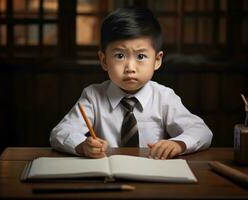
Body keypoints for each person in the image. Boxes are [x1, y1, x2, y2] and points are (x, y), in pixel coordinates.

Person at [50, 7, 213, 159]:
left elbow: (202, 131)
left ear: (157, 61)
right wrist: (82, 146)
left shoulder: (164, 97)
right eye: (119, 56)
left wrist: (178, 144)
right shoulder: (93, 96)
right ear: (104, 60)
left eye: (141, 56)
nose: (130, 68)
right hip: (107, 178)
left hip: (151, 175)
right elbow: (60, 132)